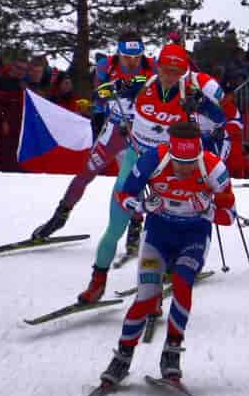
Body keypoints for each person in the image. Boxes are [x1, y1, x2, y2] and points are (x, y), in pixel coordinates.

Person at [75, 43, 224, 304]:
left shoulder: (188, 92)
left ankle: (168, 268)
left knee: (170, 220)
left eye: (177, 72)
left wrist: (200, 104)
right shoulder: (142, 83)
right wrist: (112, 93)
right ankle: (97, 281)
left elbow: (219, 117)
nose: (170, 77)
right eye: (166, 70)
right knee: (115, 224)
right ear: (160, 67)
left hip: (169, 166)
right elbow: (102, 93)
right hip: (137, 158)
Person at [94, 120, 236, 388]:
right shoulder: (153, 159)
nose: (184, 169)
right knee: (147, 296)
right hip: (158, 234)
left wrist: (207, 210)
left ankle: (171, 353)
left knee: (182, 284)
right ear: (170, 152)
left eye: (191, 161)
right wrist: (140, 204)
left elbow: (229, 216)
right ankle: (123, 356)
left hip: (193, 236)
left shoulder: (214, 168)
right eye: (179, 161)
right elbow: (123, 195)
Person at [31, 33, 156, 241]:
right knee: (86, 172)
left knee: (135, 178)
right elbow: (99, 94)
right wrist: (115, 91)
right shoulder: (106, 65)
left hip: (141, 132)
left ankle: (135, 225)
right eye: (127, 57)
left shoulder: (151, 65)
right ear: (119, 53)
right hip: (115, 129)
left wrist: (135, 85)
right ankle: (59, 216)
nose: (132, 62)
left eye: (136, 57)